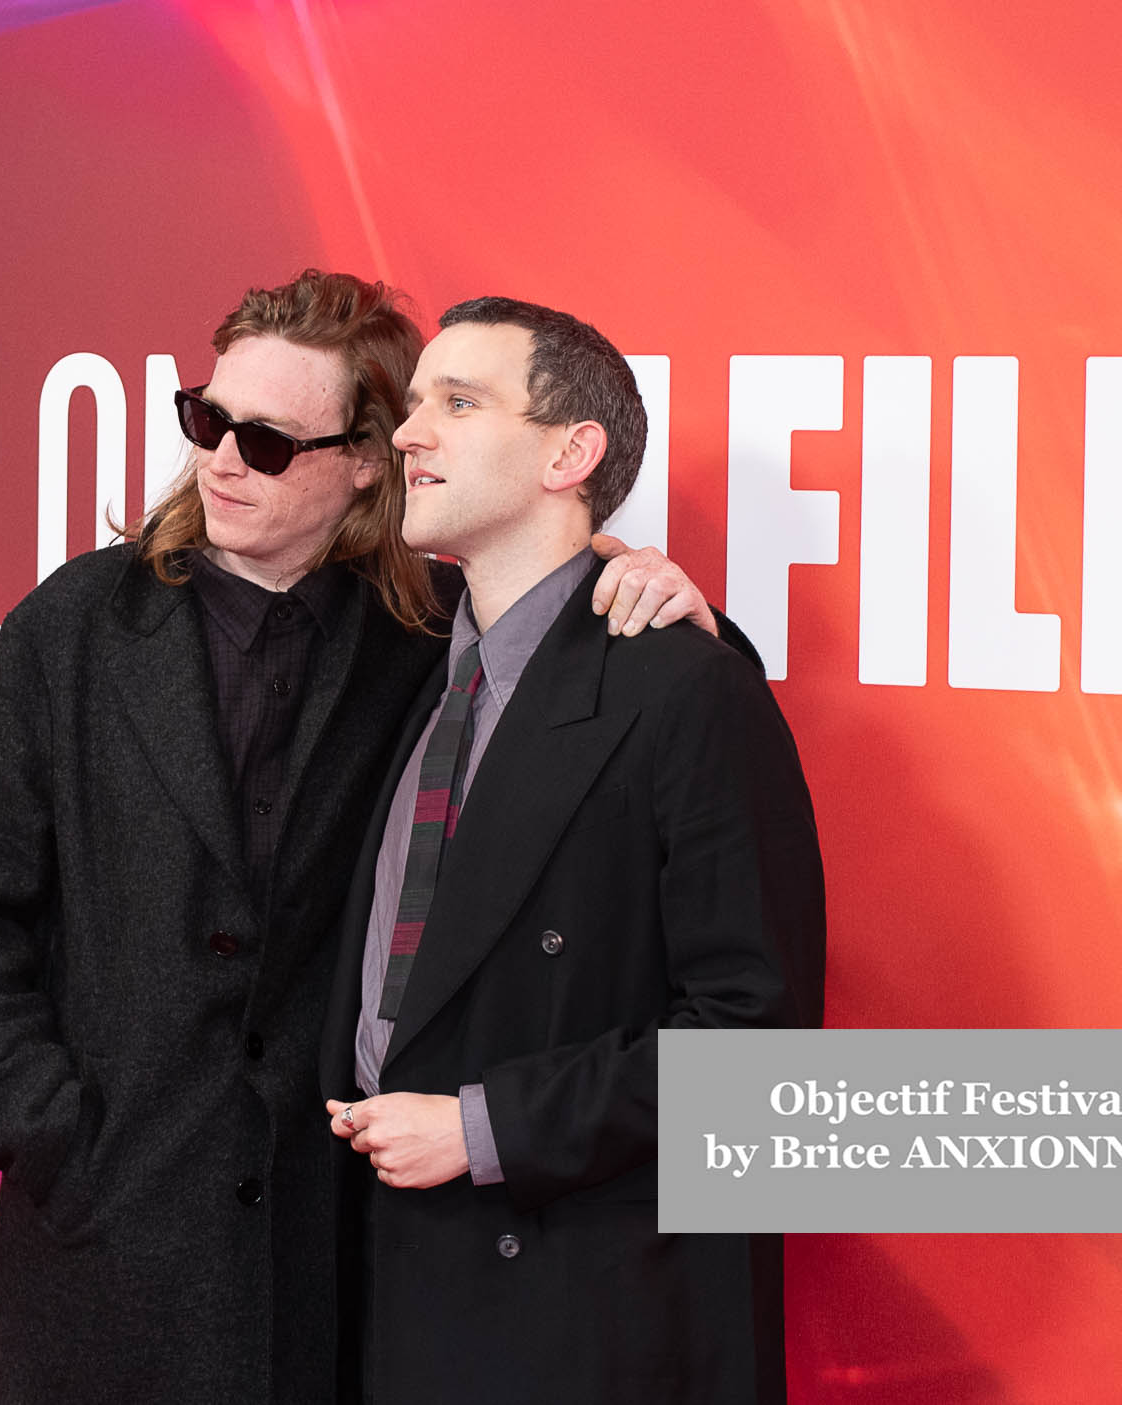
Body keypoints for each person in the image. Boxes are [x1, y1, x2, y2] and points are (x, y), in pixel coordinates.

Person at [0, 270, 718, 1404]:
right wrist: (49, 1132)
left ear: (367, 460)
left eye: (270, 442)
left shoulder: (429, 635)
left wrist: (655, 588)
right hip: (102, 1249)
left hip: (319, 1262)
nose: (224, 459)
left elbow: (596, 665)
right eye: (207, 422)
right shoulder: (79, 625)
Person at [321, 296, 826, 1403]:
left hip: (591, 1319)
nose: (408, 435)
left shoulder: (688, 689)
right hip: (402, 1294)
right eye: (413, 408)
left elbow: (759, 1050)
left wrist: (484, 1126)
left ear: (571, 452)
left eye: (458, 403)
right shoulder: (420, 672)